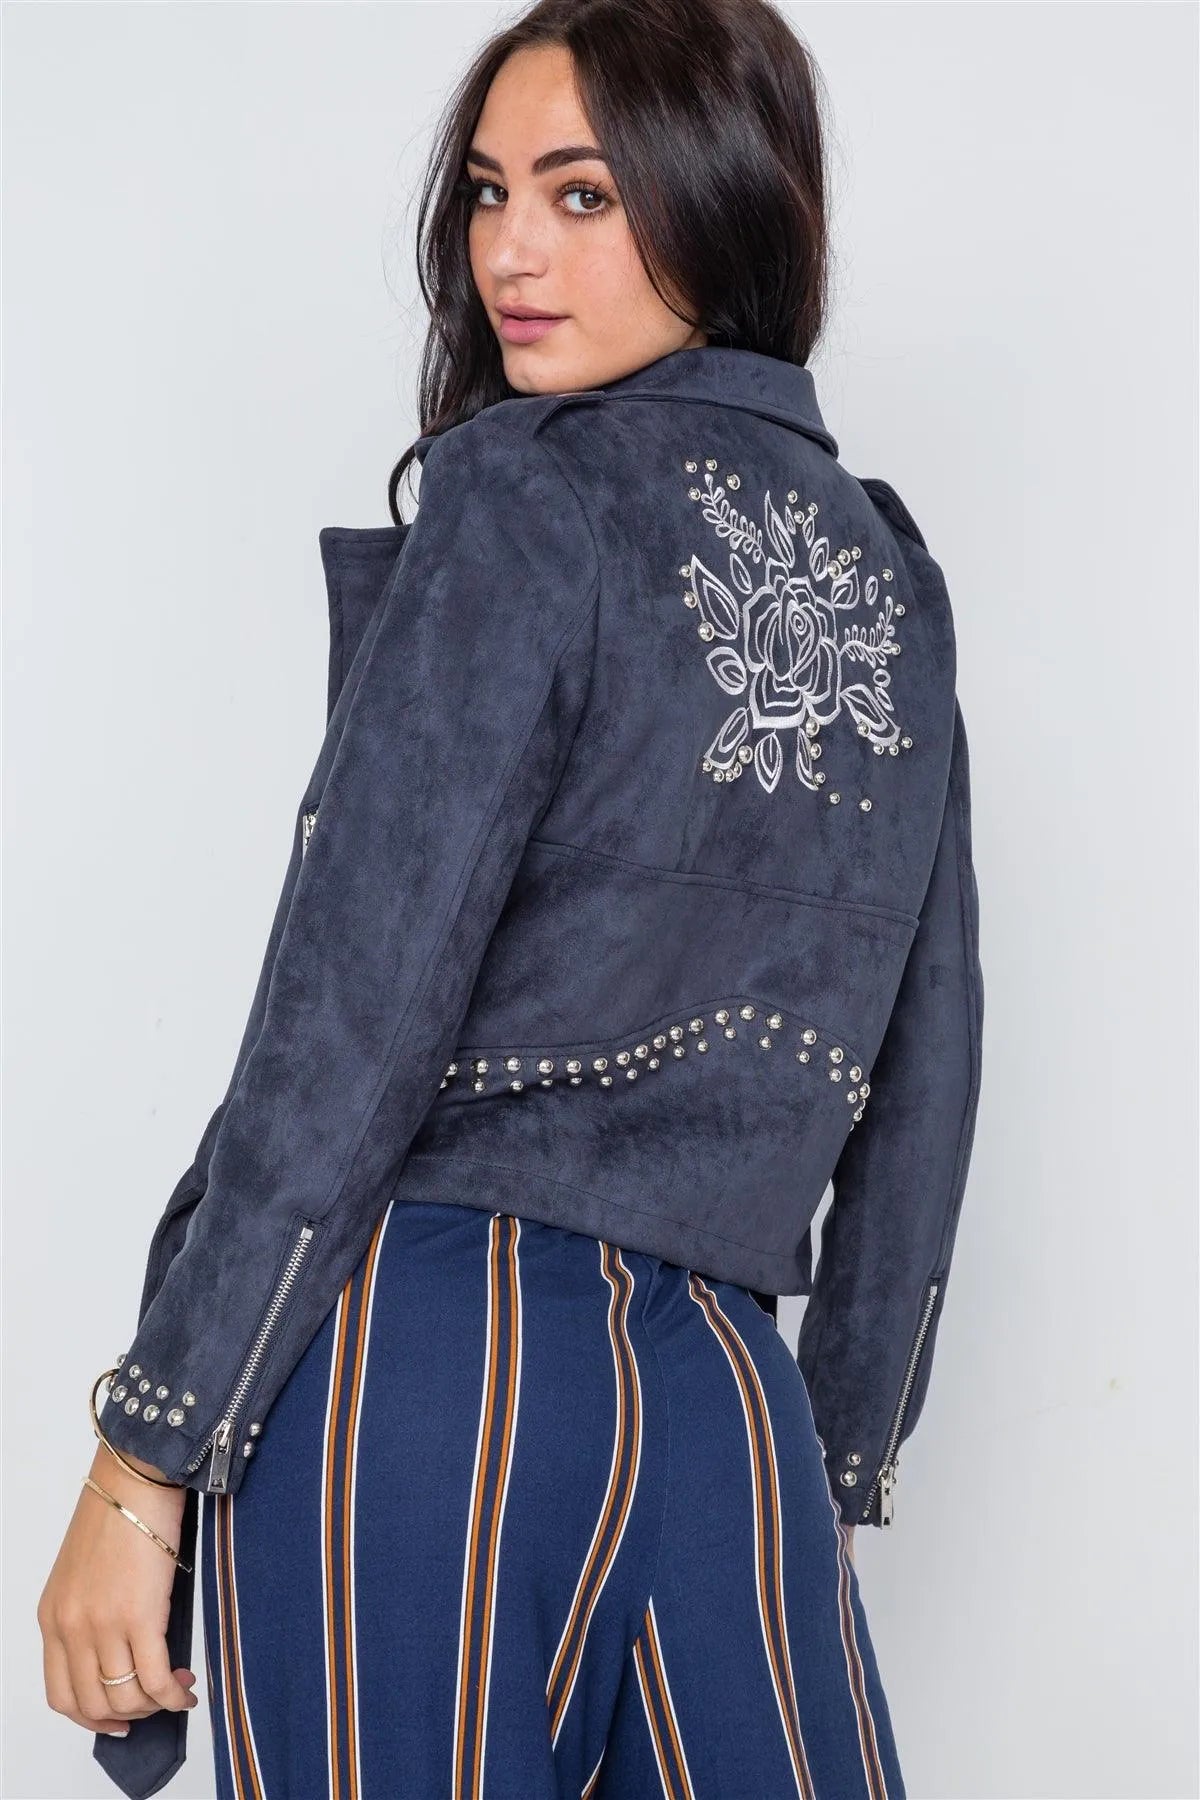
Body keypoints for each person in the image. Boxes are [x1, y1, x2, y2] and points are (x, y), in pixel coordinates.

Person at [38, 0, 985, 1794]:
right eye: (487, 194)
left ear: (721, 193)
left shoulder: (525, 500)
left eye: (582, 194)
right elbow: (926, 1088)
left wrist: (145, 1455)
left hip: (430, 1364)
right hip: (729, 1391)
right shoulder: (890, 576)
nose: (509, 257)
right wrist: (833, 1465)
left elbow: (352, 1019)